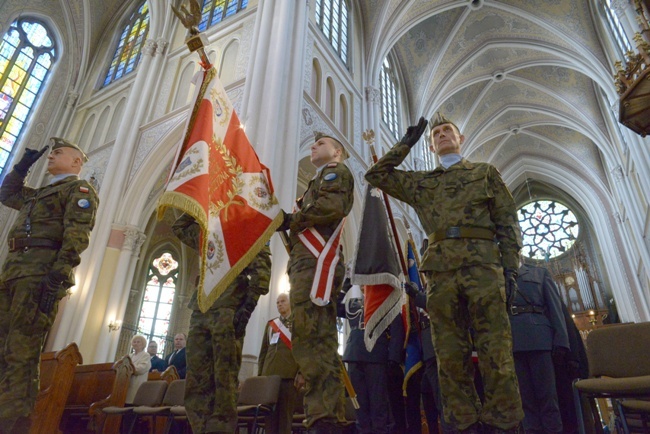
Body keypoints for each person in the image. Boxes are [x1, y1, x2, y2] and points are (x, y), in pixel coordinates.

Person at [366, 113, 524, 433]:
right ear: (431, 143)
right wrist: (405, 144)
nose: (441, 135)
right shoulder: (423, 182)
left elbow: (507, 222)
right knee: (450, 358)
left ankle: (504, 422)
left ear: (460, 138)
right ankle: (463, 424)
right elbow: (376, 174)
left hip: (483, 268)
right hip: (441, 275)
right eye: (435, 133)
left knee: (496, 352)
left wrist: (510, 269)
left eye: (447, 130)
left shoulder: (484, 173)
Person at [0, 138, 99, 433]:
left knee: (22, 349)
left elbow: (76, 236)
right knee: (3, 345)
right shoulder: (39, 194)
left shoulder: (78, 191)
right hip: (13, 273)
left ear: (76, 162)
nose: (51, 156)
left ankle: (13, 422)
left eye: (58, 153)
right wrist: (21, 166)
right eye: (50, 153)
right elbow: (7, 194)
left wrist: (57, 276)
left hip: (39, 276)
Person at [277, 132, 354, 434]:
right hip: (305, 267)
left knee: (314, 343)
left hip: (316, 266)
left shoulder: (335, 174)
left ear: (337, 152)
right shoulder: (315, 183)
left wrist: (289, 220)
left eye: (321, 143)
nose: (313, 145)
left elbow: (331, 209)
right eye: (313, 143)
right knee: (312, 342)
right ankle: (326, 418)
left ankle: (324, 421)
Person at [172, 213, 271, 434]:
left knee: (223, 379)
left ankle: (221, 430)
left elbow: (261, 276)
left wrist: (245, 311)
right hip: (201, 309)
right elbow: (179, 227)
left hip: (228, 309)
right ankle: (199, 428)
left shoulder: (249, 228)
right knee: (196, 377)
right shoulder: (208, 232)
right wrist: (199, 202)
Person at [336, 281, 390, 434]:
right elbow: (333, 307)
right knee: (359, 406)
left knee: (378, 405)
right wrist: (345, 286)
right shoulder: (353, 303)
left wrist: (393, 356)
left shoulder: (383, 302)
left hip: (376, 355)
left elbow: (395, 326)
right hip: (354, 355)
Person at [258, 292, 299, 434]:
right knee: (269, 417)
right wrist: (260, 376)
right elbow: (263, 352)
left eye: (283, 301)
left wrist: (301, 373)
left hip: (288, 376)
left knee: (284, 418)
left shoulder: (298, 322)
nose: (279, 304)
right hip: (269, 376)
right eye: (277, 302)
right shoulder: (271, 324)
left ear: (291, 303)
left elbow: (303, 350)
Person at [126, 335, 152, 404]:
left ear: (143, 344)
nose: (136, 343)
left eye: (138, 342)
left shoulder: (145, 355)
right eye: (134, 342)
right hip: (126, 383)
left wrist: (129, 368)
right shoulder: (129, 356)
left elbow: (141, 368)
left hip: (137, 383)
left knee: (133, 404)